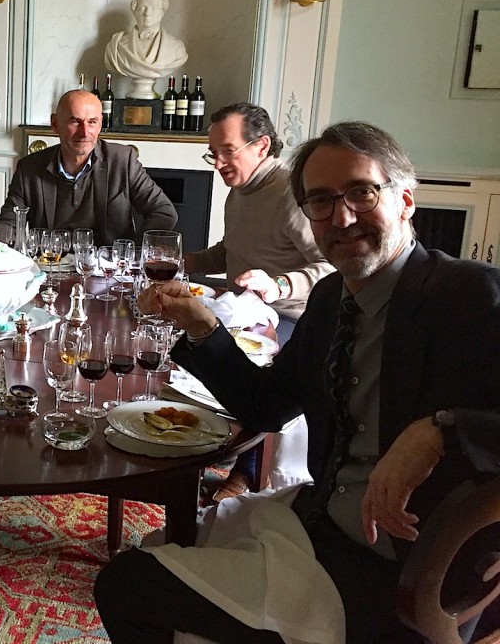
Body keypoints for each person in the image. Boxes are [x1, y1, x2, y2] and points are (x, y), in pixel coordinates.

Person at [94, 121, 500, 643]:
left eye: (361, 192)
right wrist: (202, 327)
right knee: (165, 547)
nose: (342, 217)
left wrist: (442, 430)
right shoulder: (332, 299)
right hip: (321, 520)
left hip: (405, 573)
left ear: (405, 200)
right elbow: (266, 408)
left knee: (125, 586)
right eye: (322, 201)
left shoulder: (468, 295)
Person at [188, 102, 332, 501]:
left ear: (262, 145)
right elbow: (230, 250)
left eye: (227, 151)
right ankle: (192, 445)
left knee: (247, 366)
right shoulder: (240, 191)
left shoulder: (291, 195)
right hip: (244, 308)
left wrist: (281, 284)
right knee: (183, 344)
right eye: (212, 152)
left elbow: (330, 266)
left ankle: (248, 471)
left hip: (291, 317)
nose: (217, 162)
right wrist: (188, 261)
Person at [0, 89, 177, 246]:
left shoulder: (123, 161)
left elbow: (163, 211)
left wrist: (133, 251)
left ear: (100, 124)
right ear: (55, 123)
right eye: (74, 121)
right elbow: (9, 222)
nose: (84, 132)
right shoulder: (30, 168)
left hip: (108, 272)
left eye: (92, 122)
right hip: (50, 267)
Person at [103, 0, 188, 98]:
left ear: (162, 12)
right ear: (134, 12)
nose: (147, 13)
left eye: (153, 8)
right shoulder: (116, 46)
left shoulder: (176, 48)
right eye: (143, 8)